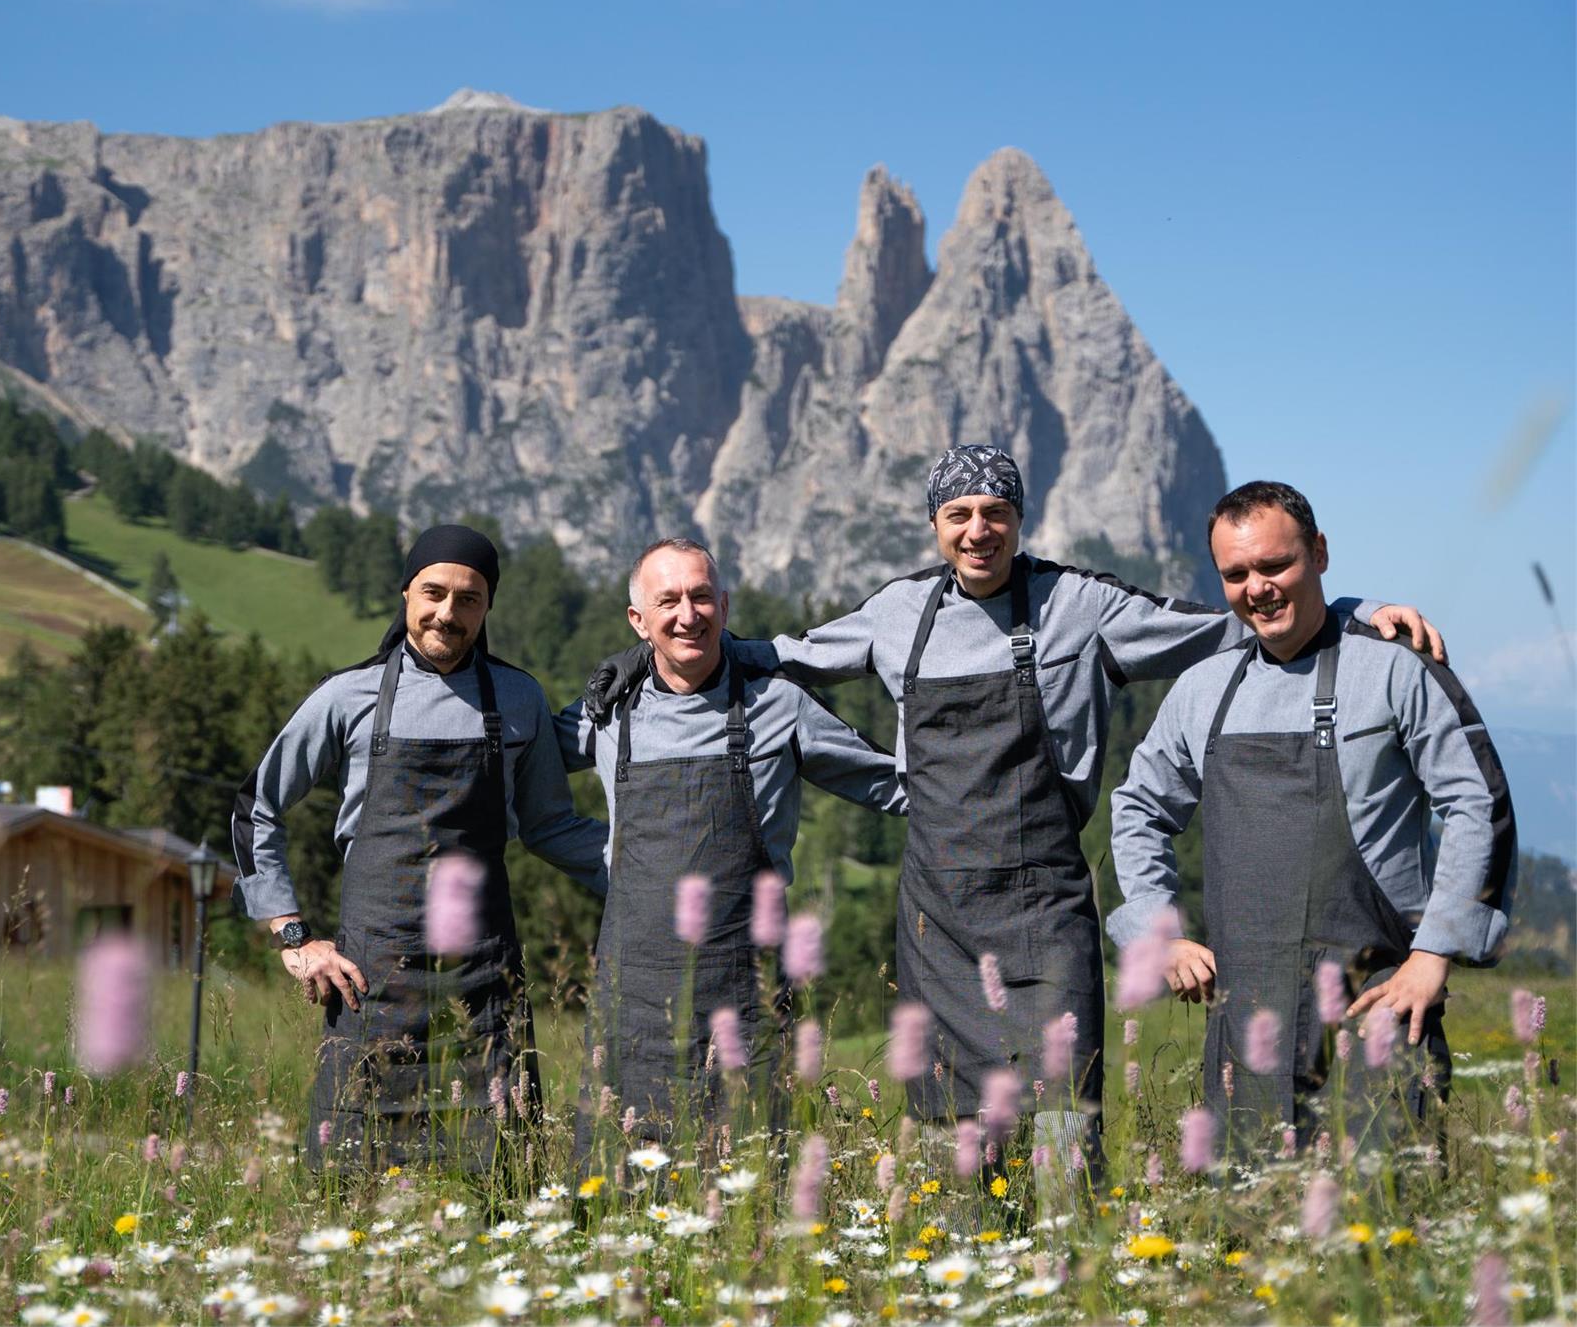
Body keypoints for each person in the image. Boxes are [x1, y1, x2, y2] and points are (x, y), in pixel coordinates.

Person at [585, 446, 1445, 1168]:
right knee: (946, 1141)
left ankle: (1067, 1272)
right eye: (957, 512)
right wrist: (640, 658)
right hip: (937, 919)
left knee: (1065, 1115)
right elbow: (778, 654)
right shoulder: (896, 615)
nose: (977, 528)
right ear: (935, 527)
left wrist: (1350, 612)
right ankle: (959, 1270)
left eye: (994, 510)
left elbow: (1228, 619)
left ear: (1019, 519)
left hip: (1046, 907)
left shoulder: (1081, 605)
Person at [1107, 481, 1514, 1152]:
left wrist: (1437, 950)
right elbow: (1138, 805)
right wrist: (1158, 931)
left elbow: (1478, 803)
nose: (1258, 587)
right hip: (1246, 1024)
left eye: (1276, 565)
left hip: (1378, 1009)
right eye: (1236, 573)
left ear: (1319, 553)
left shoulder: (1394, 669)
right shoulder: (1203, 690)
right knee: (1252, 1235)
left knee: (1383, 1228)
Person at [231, 524, 608, 1169]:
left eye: (470, 598)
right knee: (347, 1183)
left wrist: (658, 874)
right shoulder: (346, 696)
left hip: (485, 983)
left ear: (488, 608)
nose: (448, 613)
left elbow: (551, 826)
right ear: (405, 592)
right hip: (371, 979)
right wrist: (296, 938)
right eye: (433, 592)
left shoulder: (520, 699)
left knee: (503, 1180)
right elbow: (255, 807)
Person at [558, 538, 905, 1157]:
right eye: (667, 601)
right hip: (632, 999)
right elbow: (511, 759)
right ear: (638, 621)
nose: (687, 614)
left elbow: (894, 785)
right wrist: (608, 856)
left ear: (724, 604)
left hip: (746, 993)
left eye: (700, 597)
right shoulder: (607, 713)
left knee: (753, 1192)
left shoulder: (780, 705)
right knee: (618, 1190)